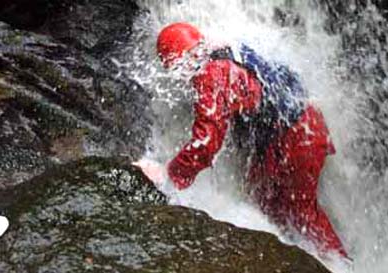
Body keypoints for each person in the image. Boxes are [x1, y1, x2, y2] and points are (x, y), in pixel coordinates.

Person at [136, 22, 347, 257]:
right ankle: (284, 259)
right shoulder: (225, 46)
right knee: (262, 202)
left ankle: (341, 264)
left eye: (176, 68)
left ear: (179, 63)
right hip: (295, 128)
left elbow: (206, 142)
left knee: (301, 211)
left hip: (298, 137)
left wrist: (169, 174)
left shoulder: (210, 75)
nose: (181, 77)